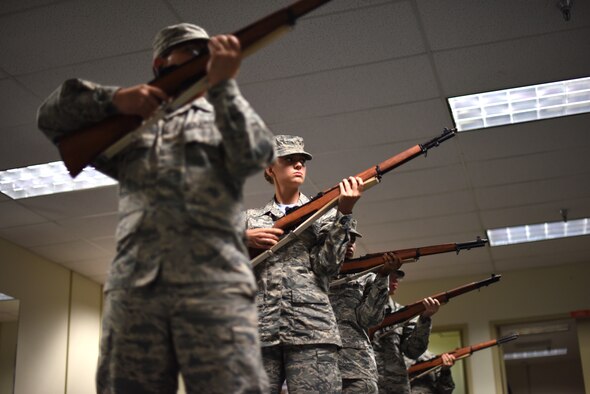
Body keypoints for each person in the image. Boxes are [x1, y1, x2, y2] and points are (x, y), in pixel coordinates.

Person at [37, 23, 274, 394]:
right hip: (136, 288)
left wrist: (225, 87)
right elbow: (52, 117)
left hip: (215, 287)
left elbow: (257, 155)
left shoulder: (223, 118)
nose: (201, 59)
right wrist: (116, 99)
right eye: (189, 52)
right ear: (160, 62)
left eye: (205, 53)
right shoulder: (130, 126)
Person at [245, 134, 363, 393]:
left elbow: (328, 267)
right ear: (269, 168)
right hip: (259, 334)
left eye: (302, 161)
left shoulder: (325, 215)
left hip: (312, 331)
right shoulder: (249, 220)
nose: (298, 165)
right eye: (289, 160)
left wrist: (345, 212)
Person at [328, 220, 403, 393]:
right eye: (344, 238)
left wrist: (383, 276)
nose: (349, 245)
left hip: (355, 366)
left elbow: (369, 319)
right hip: (316, 366)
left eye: (353, 240)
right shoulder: (313, 273)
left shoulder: (366, 277)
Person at [371, 271, 442, 394]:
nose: (396, 280)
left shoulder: (404, 314)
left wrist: (425, 318)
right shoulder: (356, 308)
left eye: (397, 277)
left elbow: (413, 351)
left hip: (395, 386)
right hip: (364, 381)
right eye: (390, 275)